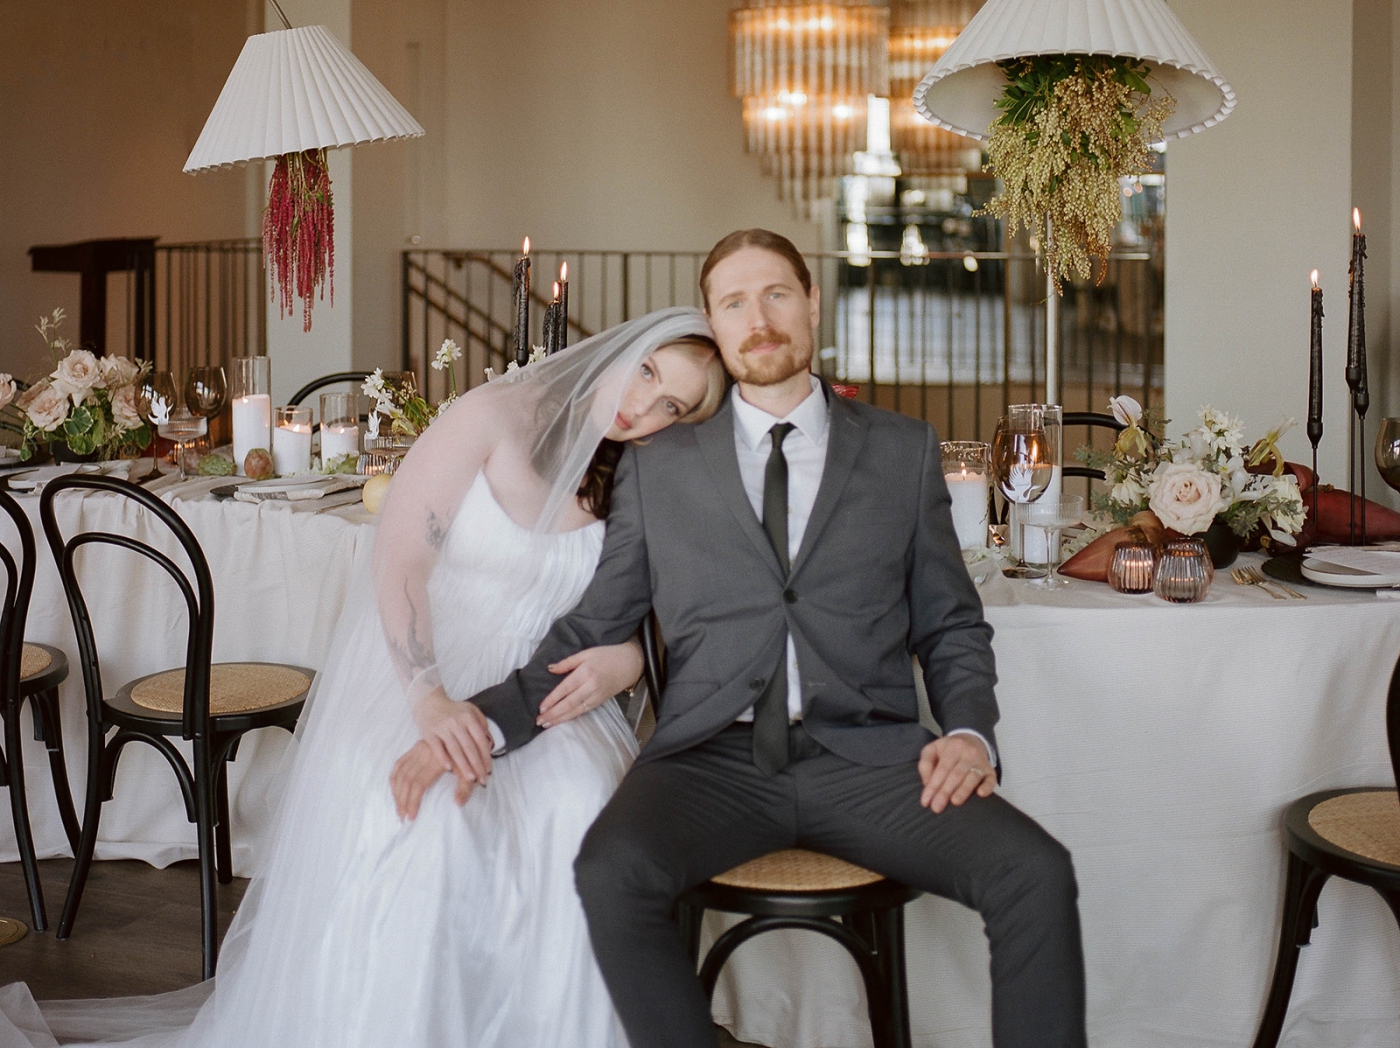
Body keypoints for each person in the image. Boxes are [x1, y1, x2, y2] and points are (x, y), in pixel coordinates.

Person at [0, 307, 726, 1048]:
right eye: (645, 373)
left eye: (673, 404)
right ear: (621, 348)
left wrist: (629, 658)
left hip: (548, 690)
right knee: (435, 817)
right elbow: (402, 557)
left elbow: (660, 603)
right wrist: (429, 699)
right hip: (428, 662)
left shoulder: (652, 466)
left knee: (577, 805)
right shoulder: (495, 413)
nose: (644, 407)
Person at [451, 230, 1088, 1048]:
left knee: (1035, 873)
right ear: (713, 327)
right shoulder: (661, 464)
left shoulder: (902, 449)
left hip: (873, 760)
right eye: (733, 303)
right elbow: (593, 626)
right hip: (709, 762)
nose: (759, 318)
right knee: (611, 870)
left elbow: (951, 619)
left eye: (777, 294)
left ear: (813, 302)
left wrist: (968, 732)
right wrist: (483, 722)